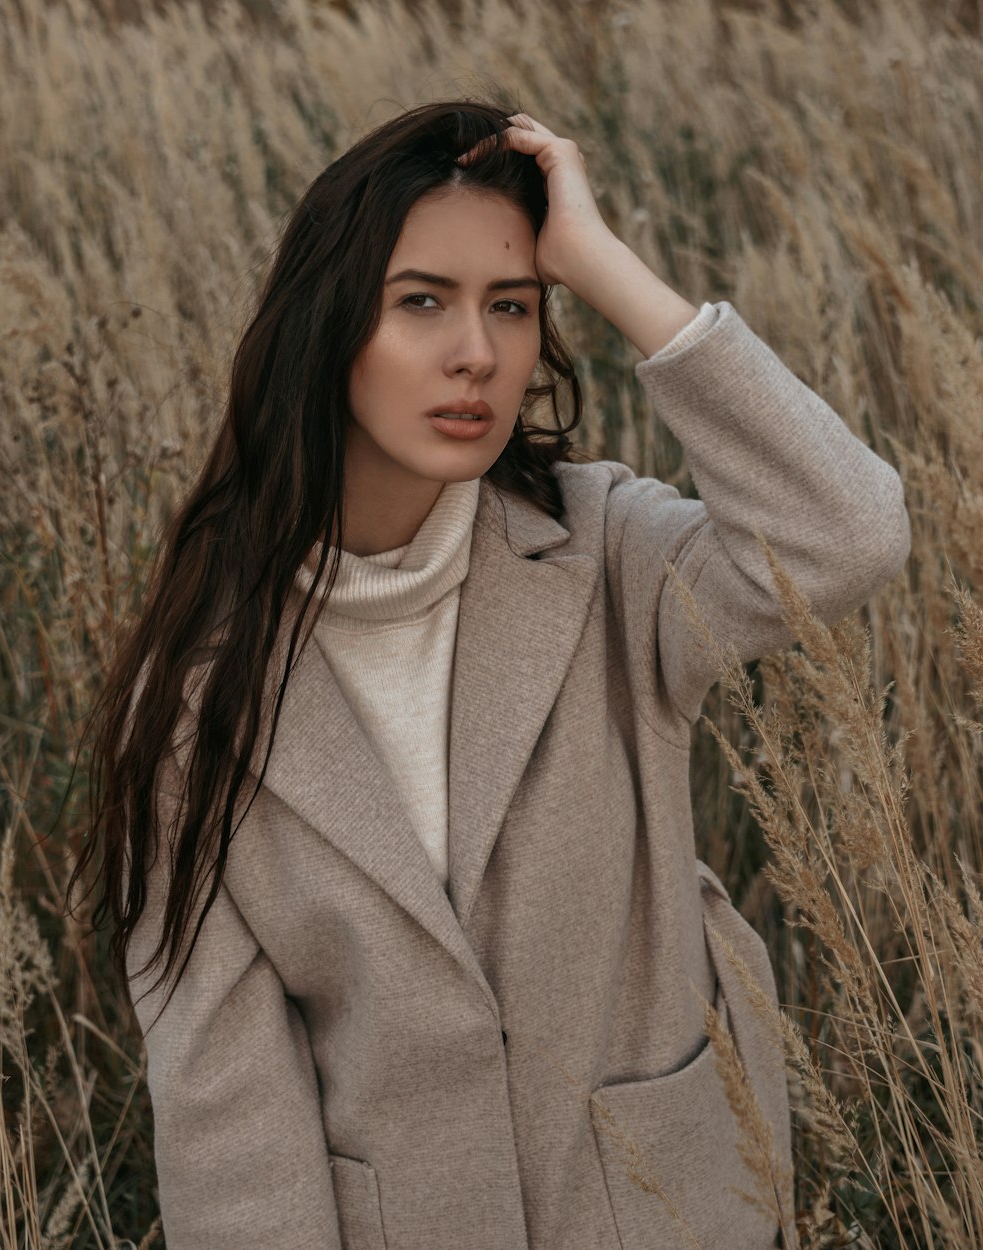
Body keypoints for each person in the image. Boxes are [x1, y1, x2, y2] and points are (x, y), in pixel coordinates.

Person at [74, 99, 910, 1250]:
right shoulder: (195, 695)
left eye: (512, 306)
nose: (477, 351)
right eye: (421, 301)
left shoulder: (605, 555)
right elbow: (230, 1116)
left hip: (663, 1217)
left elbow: (847, 534)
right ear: (328, 329)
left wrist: (600, 262)